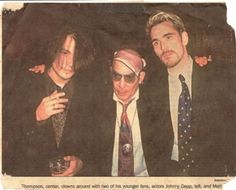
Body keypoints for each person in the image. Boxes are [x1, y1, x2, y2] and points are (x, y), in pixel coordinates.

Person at [145, 11, 232, 176]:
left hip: (213, 171)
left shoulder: (218, 76)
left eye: (168, 37)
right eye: (156, 42)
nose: (163, 48)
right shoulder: (150, 88)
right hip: (169, 174)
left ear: (184, 38)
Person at [7, 28, 96, 176]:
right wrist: (36, 116)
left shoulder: (88, 91)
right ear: (55, 50)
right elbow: (7, 132)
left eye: (76, 55)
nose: (69, 63)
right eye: (65, 52)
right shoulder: (25, 81)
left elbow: (96, 142)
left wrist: (81, 163)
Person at [96, 49, 174, 176]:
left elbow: (163, 155)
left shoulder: (155, 107)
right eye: (116, 76)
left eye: (129, 78)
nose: (121, 85)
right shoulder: (97, 106)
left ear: (140, 77)